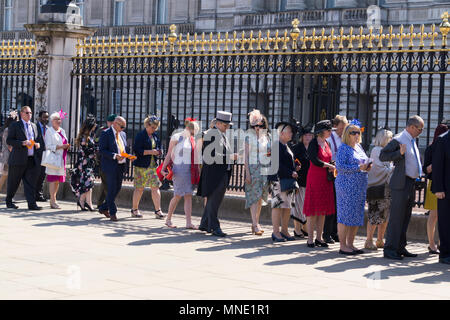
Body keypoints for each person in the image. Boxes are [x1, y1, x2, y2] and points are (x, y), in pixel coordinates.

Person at [380, 115, 425, 260]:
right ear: (411, 127)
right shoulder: (399, 139)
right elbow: (383, 155)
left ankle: (400, 247)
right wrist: (399, 153)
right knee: (396, 218)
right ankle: (390, 249)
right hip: (401, 183)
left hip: (410, 183)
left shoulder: (411, 140)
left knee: (405, 217)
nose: (421, 131)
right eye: (420, 129)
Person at [197, 111, 238, 237]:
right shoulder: (211, 134)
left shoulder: (220, 134)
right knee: (214, 200)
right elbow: (212, 155)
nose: (228, 127)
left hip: (220, 172)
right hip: (214, 173)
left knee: (213, 199)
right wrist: (230, 157)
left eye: (228, 125)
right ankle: (214, 227)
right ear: (218, 123)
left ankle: (205, 223)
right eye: (226, 125)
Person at [335, 120, 371, 255]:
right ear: (347, 134)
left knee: (356, 214)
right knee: (345, 214)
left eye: (358, 132)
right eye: (353, 132)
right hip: (346, 186)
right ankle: (343, 245)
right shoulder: (343, 148)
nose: (356, 135)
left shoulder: (359, 147)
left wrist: (367, 166)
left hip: (359, 185)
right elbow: (340, 166)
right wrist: (358, 167)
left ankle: (351, 244)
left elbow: (364, 162)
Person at [161, 118, 201, 229]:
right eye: (193, 132)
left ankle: (188, 222)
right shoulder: (176, 137)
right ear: (188, 128)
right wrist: (163, 169)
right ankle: (168, 219)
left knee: (188, 195)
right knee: (178, 195)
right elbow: (169, 154)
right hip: (179, 169)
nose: (193, 135)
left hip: (189, 170)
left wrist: (198, 170)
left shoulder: (191, 139)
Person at [303, 120, 336, 248]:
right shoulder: (313, 143)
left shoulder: (327, 143)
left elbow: (328, 158)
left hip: (325, 179)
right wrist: (328, 165)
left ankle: (319, 237)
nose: (330, 133)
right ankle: (310, 238)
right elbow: (314, 160)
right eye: (329, 130)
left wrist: (331, 163)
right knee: (313, 210)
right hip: (315, 177)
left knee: (322, 210)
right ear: (322, 131)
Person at [6, 106, 44, 210]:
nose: (29, 115)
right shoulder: (15, 125)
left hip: (31, 159)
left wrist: (37, 144)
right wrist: (22, 143)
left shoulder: (34, 126)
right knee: (13, 182)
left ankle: (32, 204)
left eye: (31, 113)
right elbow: (9, 141)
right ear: (22, 113)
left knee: (30, 183)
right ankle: (9, 201)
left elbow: (38, 140)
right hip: (18, 159)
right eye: (27, 113)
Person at [365, 128, 394, 251]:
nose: (391, 140)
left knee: (385, 216)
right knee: (374, 215)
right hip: (377, 187)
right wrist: (392, 169)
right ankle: (369, 240)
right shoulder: (377, 150)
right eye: (390, 138)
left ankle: (380, 239)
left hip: (387, 188)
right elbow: (379, 168)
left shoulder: (387, 151)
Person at [269, 121, 299, 242]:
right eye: (289, 132)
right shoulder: (276, 145)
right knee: (277, 206)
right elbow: (277, 164)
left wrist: (295, 166)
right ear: (281, 133)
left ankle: (285, 230)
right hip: (278, 179)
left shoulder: (286, 145)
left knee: (287, 207)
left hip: (287, 180)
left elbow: (286, 161)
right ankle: (276, 232)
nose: (292, 134)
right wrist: (290, 172)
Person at [98, 116, 131, 221]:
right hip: (110, 165)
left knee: (117, 188)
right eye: (121, 126)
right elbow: (102, 150)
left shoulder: (123, 134)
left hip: (121, 164)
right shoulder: (106, 133)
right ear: (115, 123)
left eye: (124, 127)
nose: (122, 129)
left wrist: (128, 156)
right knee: (111, 189)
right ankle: (113, 212)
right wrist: (114, 155)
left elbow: (124, 148)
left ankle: (103, 207)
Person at [131, 115, 164, 219]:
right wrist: (150, 152)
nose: (153, 129)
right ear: (147, 125)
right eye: (152, 127)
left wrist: (159, 151)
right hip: (141, 166)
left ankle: (158, 210)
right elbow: (137, 150)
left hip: (152, 166)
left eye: (155, 128)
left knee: (155, 187)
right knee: (139, 188)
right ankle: (134, 209)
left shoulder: (155, 136)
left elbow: (159, 146)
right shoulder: (140, 135)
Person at [244, 110, 270, 236]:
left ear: (264, 126)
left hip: (264, 170)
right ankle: (255, 224)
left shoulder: (267, 137)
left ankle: (256, 222)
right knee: (254, 197)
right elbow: (246, 157)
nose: (257, 128)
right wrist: (247, 173)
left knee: (260, 198)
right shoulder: (249, 137)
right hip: (253, 170)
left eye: (260, 126)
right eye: (255, 126)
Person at [423, 124, 448, 254]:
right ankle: (432, 243)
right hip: (434, 185)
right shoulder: (431, 148)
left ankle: (440, 243)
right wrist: (434, 166)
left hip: (442, 185)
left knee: (442, 216)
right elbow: (424, 169)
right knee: (434, 215)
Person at [324, 115, 348, 244]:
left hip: (341, 173)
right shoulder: (330, 138)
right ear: (334, 127)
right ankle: (326, 233)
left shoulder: (344, 138)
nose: (343, 130)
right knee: (331, 204)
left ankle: (335, 232)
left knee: (338, 205)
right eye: (341, 128)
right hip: (331, 172)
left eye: (344, 128)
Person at [70, 115, 98, 211]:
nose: (96, 125)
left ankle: (88, 203)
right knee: (88, 182)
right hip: (84, 163)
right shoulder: (84, 137)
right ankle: (82, 201)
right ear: (90, 125)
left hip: (89, 163)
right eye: (94, 123)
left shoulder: (89, 136)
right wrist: (96, 149)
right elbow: (86, 150)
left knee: (89, 183)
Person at [290, 124, 314, 238]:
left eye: (310, 135)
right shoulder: (296, 148)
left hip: (311, 180)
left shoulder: (314, 148)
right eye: (306, 135)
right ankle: (297, 229)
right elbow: (292, 161)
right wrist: (296, 166)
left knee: (307, 205)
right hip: (300, 180)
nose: (308, 137)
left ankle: (305, 228)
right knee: (298, 205)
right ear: (302, 137)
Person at [432, 123, 450, 265]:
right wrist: (438, 188)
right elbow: (437, 166)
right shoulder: (442, 140)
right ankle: (445, 254)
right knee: (445, 222)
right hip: (445, 190)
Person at [44, 112, 70, 209]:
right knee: (52, 179)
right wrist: (60, 147)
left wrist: (66, 146)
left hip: (62, 158)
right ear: (52, 121)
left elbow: (65, 142)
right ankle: (52, 200)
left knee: (58, 180)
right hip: (53, 158)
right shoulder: (49, 131)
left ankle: (54, 199)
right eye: (56, 119)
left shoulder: (62, 130)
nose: (59, 121)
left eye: (59, 119)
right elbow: (48, 146)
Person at [94, 114, 116, 209]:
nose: (111, 124)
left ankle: (100, 203)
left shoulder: (118, 132)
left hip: (113, 160)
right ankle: (108, 204)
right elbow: (96, 141)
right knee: (106, 183)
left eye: (113, 122)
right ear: (108, 122)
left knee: (105, 184)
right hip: (102, 159)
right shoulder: (102, 130)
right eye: (110, 122)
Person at [0, 111, 18, 194]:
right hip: (8, 156)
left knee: (7, 176)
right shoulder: (8, 130)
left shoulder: (8, 129)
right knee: (5, 175)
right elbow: (9, 145)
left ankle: (9, 194)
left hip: (9, 155)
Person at [35, 110, 49, 202]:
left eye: (47, 117)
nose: (46, 119)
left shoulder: (47, 129)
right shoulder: (35, 127)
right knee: (35, 175)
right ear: (40, 117)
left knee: (42, 175)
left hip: (45, 155)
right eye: (44, 117)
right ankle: (33, 193)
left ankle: (39, 194)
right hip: (36, 155)